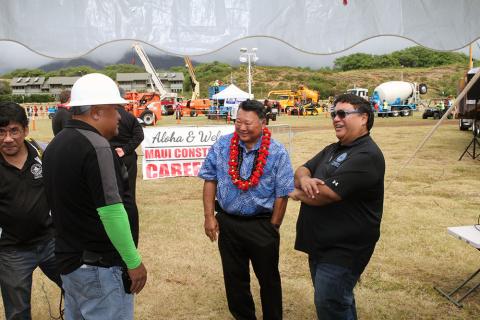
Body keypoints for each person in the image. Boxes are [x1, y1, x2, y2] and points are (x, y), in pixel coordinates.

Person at [42, 73, 147, 320]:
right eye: (115, 108)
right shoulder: (98, 147)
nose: (120, 116)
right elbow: (111, 212)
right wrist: (133, 261)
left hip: (71, 263)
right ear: (97, 112)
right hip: (99, 267)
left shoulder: (55, 145)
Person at [290, 93, 385, 320]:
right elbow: (302, 169)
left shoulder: (367, 155)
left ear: (363, 118)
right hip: (320, 242)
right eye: (334, 113)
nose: (335, 118)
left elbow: (326, 194)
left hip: (345, 248)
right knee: (337, 300)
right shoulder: (333, 148)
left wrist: (295, 192)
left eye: (343, 113)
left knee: (330, 303)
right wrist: (304, 180)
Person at [199, 99, 294, 320]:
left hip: (262, 224)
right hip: (228, 223)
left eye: (248, 123)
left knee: (268, 279)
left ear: (263, 123)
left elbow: (283, 193)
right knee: (234, 278)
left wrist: (273, 227)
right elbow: (209, 179)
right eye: (238, 121)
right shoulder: (222, 145)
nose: (241, 127)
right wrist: (209, 217)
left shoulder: (277, 152)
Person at [0, 102, 61, 320]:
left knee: (79, 290)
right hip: (11, 251)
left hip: (52, 242)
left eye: (14, 130)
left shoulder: (44, 152)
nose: (8, 138)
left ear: (25, 130)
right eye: (1, 132)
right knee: (17, 312)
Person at [109, 102, 144, 201]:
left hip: (109, 155)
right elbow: (139, 135)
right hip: (128, 157)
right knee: (129, 190)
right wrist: (125, 150)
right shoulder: (130, 117)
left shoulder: (105, 117)